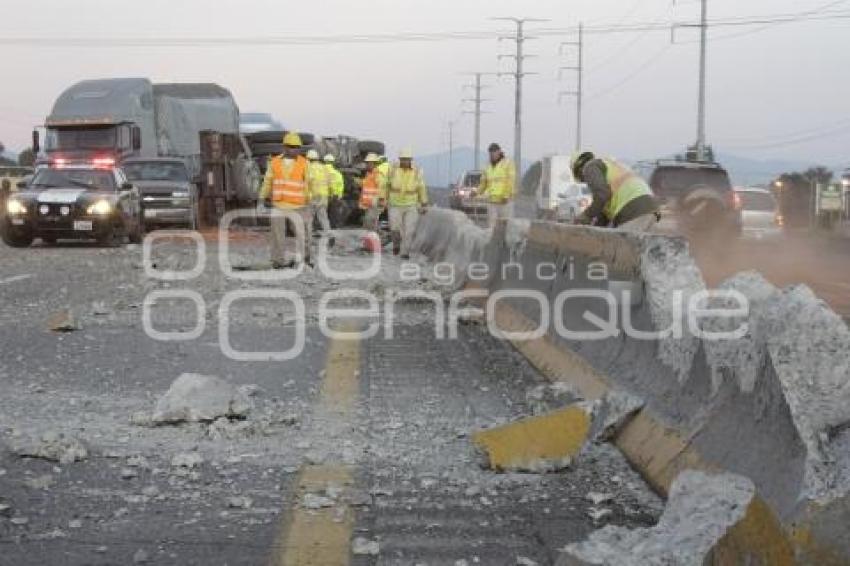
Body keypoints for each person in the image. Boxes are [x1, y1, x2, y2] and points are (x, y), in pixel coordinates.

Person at [258, 132, 319, 269]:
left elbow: (310, 182)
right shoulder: (274, 162)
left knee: (302, 234)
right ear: (284, 147)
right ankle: (277, 260)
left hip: (299, 205)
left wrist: (311, 201)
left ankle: (304, 259)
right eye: (291, 147)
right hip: (279, 204)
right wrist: (261, 200)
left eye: (297, 147)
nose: (294, 149)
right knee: (277, 235)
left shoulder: (304, 163)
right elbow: (267, 182)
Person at [571, 151, 659, 232]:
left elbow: (602, 195)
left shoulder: (590, 167)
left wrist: (586, 216)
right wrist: (593, 230)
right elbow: (603, 216)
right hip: (649, 206)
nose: (588, 182)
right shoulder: (609, 165)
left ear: (579, 171)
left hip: (633, 209)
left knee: (622, 247)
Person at [386, 148, 429, 258]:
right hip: (395, 204)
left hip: (411, 205)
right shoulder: (393, 169)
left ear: (411, 160)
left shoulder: (417, 171)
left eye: (407, 159)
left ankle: (405, 253)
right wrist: (382, 198)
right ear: (400, 159)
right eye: (403, 159)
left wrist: (424, 202)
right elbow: (385, 185)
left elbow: (421, 187)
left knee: (409, 230)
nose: (405, 162)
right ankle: (396, 244)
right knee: (395, 228)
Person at [478, 142, 516, 229]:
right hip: (492, 201)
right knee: (492, 227)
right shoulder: (487, 166)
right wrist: (476, 192)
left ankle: (505, 242)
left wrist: (506, 196)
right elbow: (483, 183)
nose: (492, 155)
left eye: (494, 152)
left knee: (506, 226)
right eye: (490, 153)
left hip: (505, 202)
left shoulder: (507, 163)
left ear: (499, 152)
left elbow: (510, 181)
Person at [306, 149, 333, 246]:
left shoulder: (308, 168)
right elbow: (329, 182)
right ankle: (329, 235)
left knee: (309, 218)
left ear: (308, 158)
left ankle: (308, 239)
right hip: (323, 195)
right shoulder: (324, 168)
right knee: (323, 217)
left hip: (312, 195)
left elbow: (307, 182)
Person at [359, 152, 386, 232]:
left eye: (368, 163)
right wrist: (359, 182)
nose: (366, 165)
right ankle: (372, 238)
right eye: (366, 163)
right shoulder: (369, 174)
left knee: (370, 222)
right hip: (370, 204)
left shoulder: (378, 174)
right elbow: (366, 185)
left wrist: (381, 199)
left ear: (374, 163)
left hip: (376, 202)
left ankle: (374, 239)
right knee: (369, 223)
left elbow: (382, 187)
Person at [324, 154, 345, 228]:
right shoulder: (337, 173)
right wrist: (338, 195)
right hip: (335, 196)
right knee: (334, 213)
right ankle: (334, 227)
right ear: (333, 162)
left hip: (324, 195)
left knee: (323, 213)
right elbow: (341, 185)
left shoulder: (321, 171)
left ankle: (323, 227)